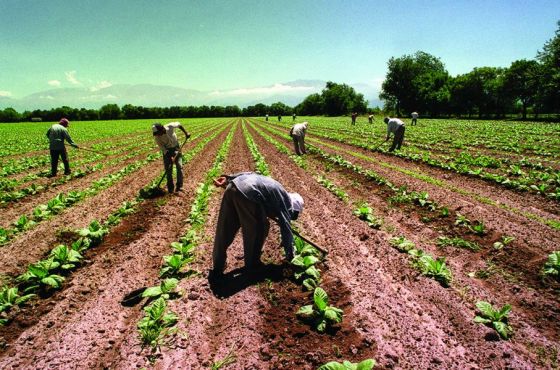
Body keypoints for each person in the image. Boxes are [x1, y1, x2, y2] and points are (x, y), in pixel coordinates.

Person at [210, 172, 304, 278]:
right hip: (248, 193)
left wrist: (228, 180)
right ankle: (253, 265)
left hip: (233, 187)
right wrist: (291, 256)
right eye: (294, 214)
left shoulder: (276, 189)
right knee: (260, 228)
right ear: (294, 208)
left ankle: (218, 265)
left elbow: (251, 174)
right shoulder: (285, 201)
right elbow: (286, 228)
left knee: (225, 229)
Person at [152, 122, 190, 193]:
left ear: (162, 129)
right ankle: (170, 188)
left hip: (176, 148)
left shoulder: (170, 127)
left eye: (158, 133)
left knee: (179, 166)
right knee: (168, 170)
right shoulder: (157, 138)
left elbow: (179, 125)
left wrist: (186, 133)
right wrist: (170, 156)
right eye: (156, 134)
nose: (158, 135)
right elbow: (163, 148)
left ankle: (179, 187)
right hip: (167, 151)